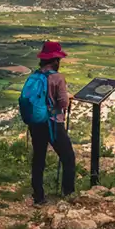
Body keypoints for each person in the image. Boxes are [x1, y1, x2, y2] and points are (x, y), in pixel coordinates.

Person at [28, 41, 77, 205]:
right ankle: (68, 194)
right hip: (52, 123)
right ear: (55, 60)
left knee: (39, 157)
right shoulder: (57, 78)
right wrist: (67, 99)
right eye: (58, 60)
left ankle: (38, 195)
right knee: (68, 157)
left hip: (36, 122)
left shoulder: (35, 75)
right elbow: (63, 103)